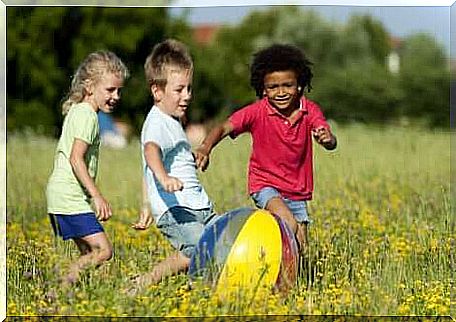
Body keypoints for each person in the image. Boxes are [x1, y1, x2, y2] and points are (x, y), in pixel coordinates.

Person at [195, 44, 337, 256]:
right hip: (265, 185)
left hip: (297, 191)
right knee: (287, 223)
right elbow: (223, 127)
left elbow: (328, 137)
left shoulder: (309, 110)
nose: (281, 92)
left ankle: (288, 284)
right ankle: (259, 259)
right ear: (263, 89)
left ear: (299, 85)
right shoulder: (256, 112)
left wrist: (327, 139)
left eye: (287, 85)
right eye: (273, 87)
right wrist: (205, 148)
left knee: (302, 248)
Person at [130, 39, 216, 292]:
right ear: (157, 91)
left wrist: (146, 203)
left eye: (189, 88)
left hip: (198, 205)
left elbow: (154, 164)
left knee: (221, 245)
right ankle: (152, 282)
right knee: (200, 250)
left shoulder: (171, 120)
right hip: (176, 209)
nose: (187, 96)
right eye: (179, 90)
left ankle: (197, 287)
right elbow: (150, 151)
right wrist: (164, 177)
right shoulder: (157, 122)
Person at [46, 51, 129, 286]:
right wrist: (97, 196)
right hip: (69, 197)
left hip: (62, 195)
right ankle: (61, 288)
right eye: (110, 90)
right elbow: (76, 159)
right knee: (103, 251)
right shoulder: (88, 116)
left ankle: (76, 296)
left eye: (119, 91)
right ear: (90, 86)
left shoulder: (79, 111)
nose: (116, 96)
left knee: (89, 254)